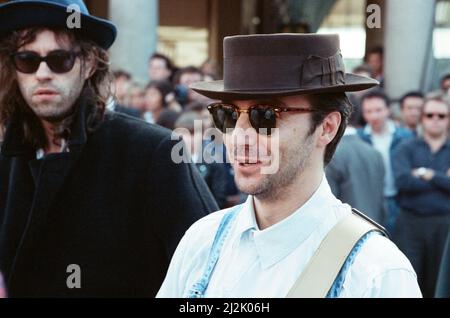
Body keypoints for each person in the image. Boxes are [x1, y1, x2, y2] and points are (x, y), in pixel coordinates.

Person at [157, 34, 421, 298]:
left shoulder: (376, 272)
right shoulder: (201, 241)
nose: (239, 137)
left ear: (327, 128)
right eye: (228, 114)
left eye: (266, 116)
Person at [0, 0, 218, 297]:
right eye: (27, 60)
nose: (42, 74)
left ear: (89, 63)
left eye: (59, 59)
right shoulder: (8, 158)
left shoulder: (152, 151)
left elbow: (210, 272)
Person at [393, 96, 450, 298]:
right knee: (408, 280)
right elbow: (403, 182)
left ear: (448, 119)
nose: (435, 119)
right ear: (422, 119)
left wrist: (429, 174)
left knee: (440, 283)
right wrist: (443, 178)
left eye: (441, 115)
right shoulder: (405, 148)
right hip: (411, 223)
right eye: (429, 115)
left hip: (445, 225)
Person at [358, 90, 413, 233]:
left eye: (378, 110)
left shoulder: (405, 136)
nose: (373, 115)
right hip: (370, 200)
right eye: (368, 111)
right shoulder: (359, 138)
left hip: (399, 198)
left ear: (388, 110)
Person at [326, 112, 385, 224]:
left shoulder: (332, 154)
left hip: (347, 230)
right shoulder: (374, 153)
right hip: (375, 227)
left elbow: (329, 203)